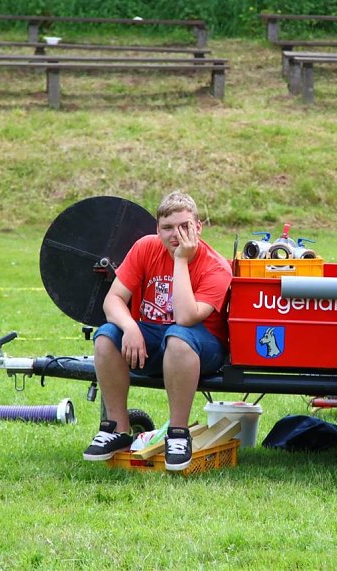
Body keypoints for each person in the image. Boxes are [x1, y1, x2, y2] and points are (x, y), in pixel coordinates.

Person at [82, 191, 232, 471]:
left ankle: (178, 433)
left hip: (202, 344)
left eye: (185, 226)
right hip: (152, 336)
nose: (176, 234)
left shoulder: (216, 267)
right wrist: (129, 327)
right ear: (157, 229)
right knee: (105, 336)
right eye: (167, 228)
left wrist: (180, 260)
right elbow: (112, 300)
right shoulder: (145, 248)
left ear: (198, 226)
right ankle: (117, 428)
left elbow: (186, 318)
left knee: (177, 337)